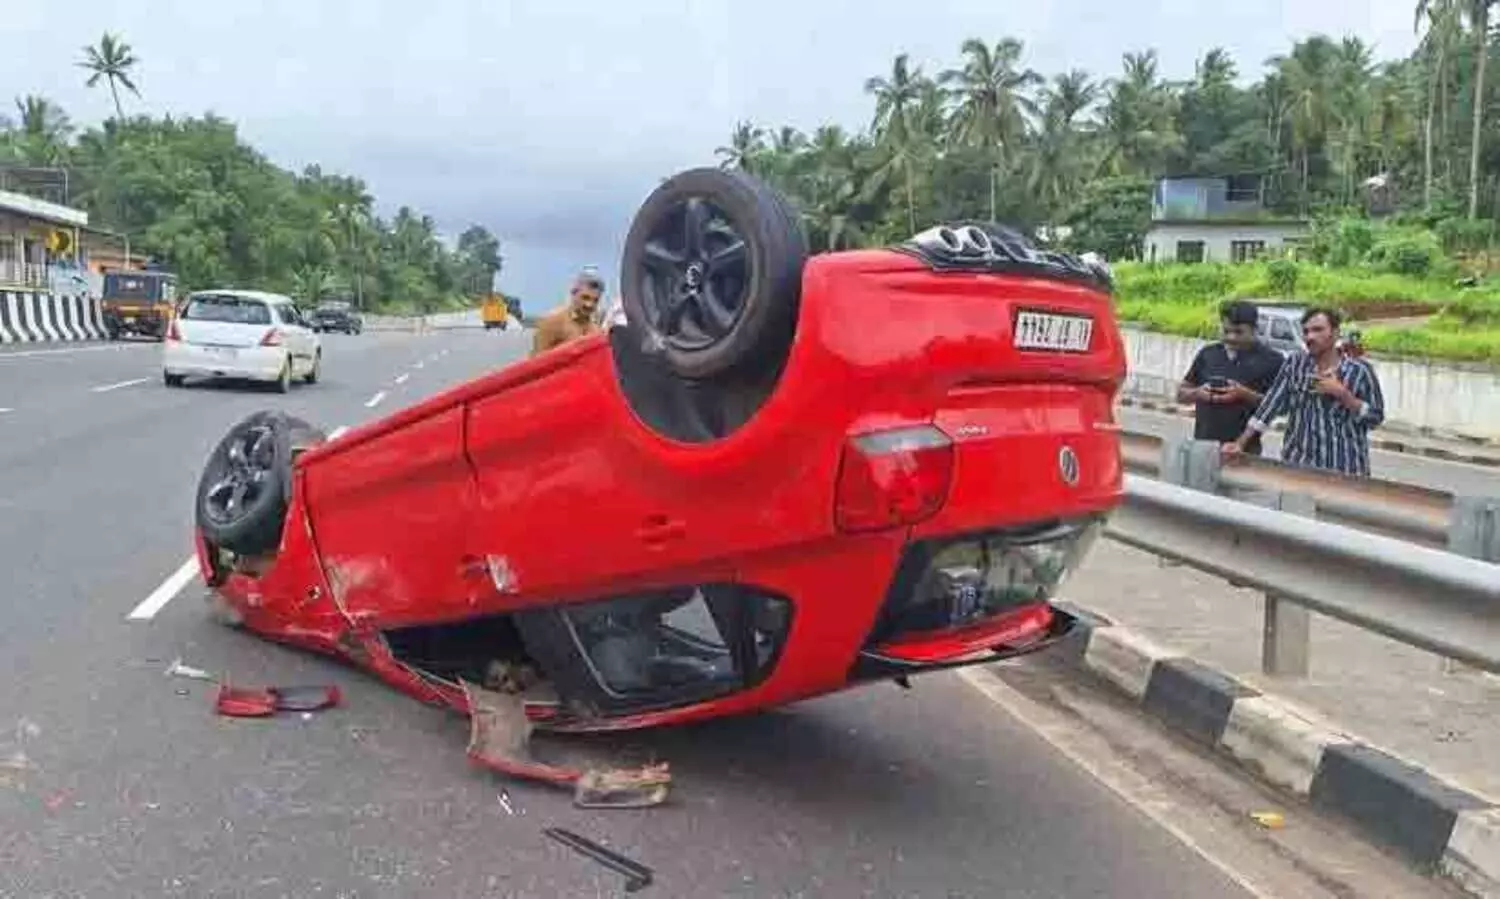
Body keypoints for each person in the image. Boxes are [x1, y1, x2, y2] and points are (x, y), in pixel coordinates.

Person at [1222, 307, 1386, 476]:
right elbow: (1270, 406)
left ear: (1335, 333)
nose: (1310, 337)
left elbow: (1375, 417)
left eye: (1318, 330)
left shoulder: (1360, 371)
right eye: (1306, 331)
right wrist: (1240, 443)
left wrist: (1344, 395)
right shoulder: (1295, 364)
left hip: (1345, 472)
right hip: (1298, 468)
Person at [1177, 300, 1285, 456]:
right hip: (1203, 449)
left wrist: (1244, 394)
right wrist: (1198, 393)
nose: (1231, 337)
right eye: (1226, 331)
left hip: (1244, 452)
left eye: (1239, 332)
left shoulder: (1272, 360)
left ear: (1254, 329)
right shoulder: (1208, 354)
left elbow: (1279, 408)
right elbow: (1180, 395)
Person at [530, 268, 605, 357]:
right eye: (585, 298)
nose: (589, 304)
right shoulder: (553, 321)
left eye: (595, 301)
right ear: (574, 293)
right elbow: (535, 361)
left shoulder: (595, 331)